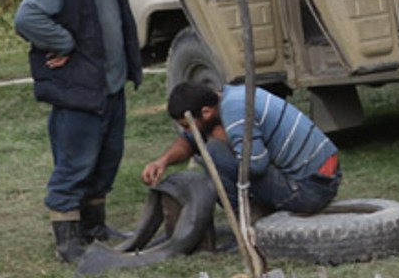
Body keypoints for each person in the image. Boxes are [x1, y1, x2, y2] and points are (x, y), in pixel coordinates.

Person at [13, 0, 144, 264]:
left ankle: (94, 227)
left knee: (106, 159)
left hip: (109, 86)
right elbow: (27, 18)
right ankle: (67, 241)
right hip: (80, 89)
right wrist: (62, 42)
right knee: (74, 163)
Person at [143, 82, 341, 218]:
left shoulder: (235, 111)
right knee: (213, 145)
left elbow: (256, 165)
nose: (187, 131)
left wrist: (224, 141)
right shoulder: (225, 98)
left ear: (206, 111)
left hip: (312, 190)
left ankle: (246, 222)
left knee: (214, 153)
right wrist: (163, 161)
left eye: (188, 125)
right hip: (322, 179)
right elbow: (189, 140)